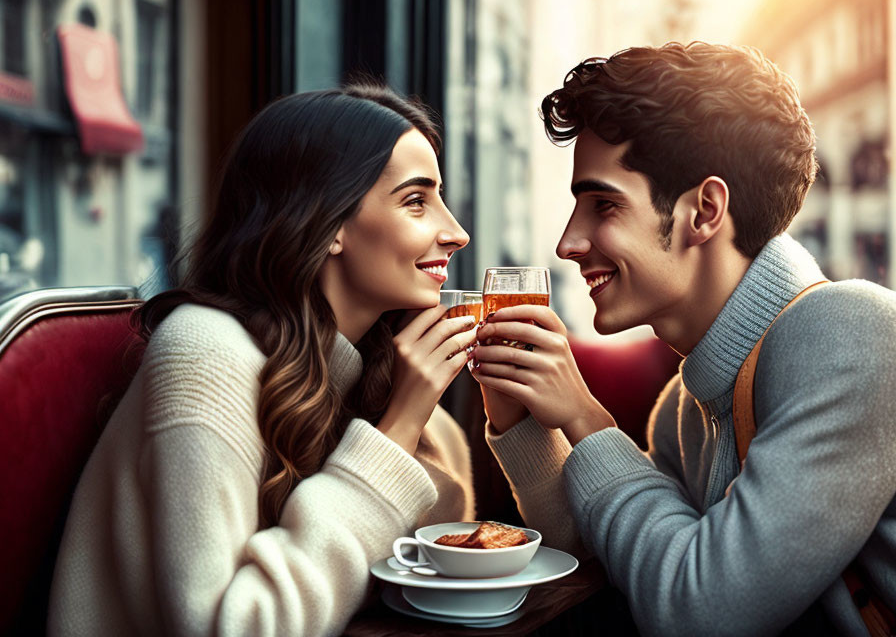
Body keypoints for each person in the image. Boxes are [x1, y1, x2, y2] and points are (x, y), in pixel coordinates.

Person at [472, 42, 896, 636]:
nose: (568, 243)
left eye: (603, 205)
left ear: (704, 212)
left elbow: (703, 613)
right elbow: (615, 549)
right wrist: (520, 419)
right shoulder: (682, 408)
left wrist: (589, 420)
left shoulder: (855, 334)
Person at [49, 84, 478, 637]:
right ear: (330, 224)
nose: (457, 233)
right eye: (416, 201)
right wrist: (395, 431)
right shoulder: (204, 353)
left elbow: (438, 551)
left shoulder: (362, 361)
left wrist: (499, 413)